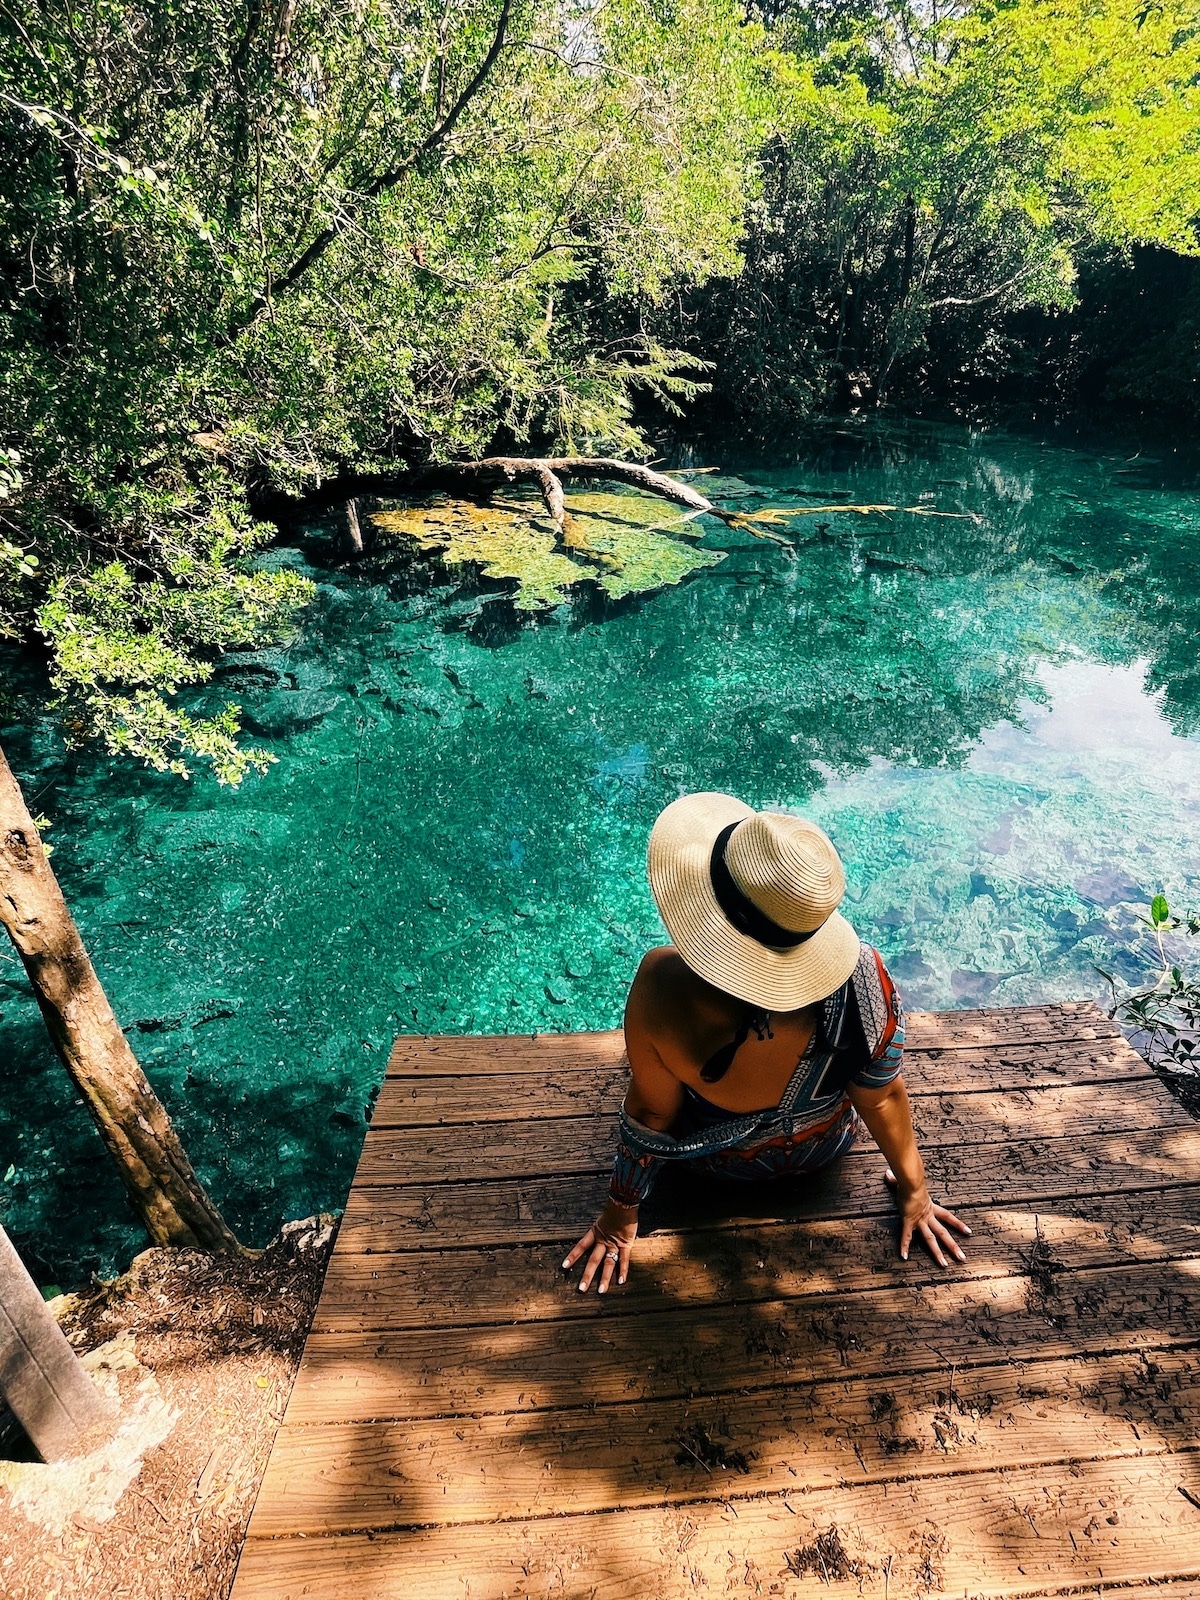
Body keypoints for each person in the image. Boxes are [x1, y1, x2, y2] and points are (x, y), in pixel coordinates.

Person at [564, 792, 971, 1293]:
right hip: (822, 1152)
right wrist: (916, 1192)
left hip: (713, 1168)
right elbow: (882, 1095)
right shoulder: (865, 977)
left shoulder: (661, 985)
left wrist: (619, 1214)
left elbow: (651, 1117)